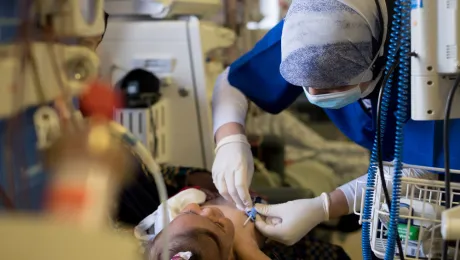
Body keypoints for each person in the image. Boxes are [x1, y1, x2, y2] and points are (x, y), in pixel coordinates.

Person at [211, 0, 460, 246]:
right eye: (308, 87)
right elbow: (235, 82)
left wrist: (325, 206)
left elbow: (422, 169)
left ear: (377, 56)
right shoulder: (313, 23)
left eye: (339, 85)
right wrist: (230, 139)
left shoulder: (431, 51)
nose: (320, 95)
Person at [118, 163, 351, 260]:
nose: (206, 212)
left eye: (189, 213)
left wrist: (208, 182)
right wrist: (250, 250)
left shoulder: (151, 229)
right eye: (217, 227)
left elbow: (160, 172)